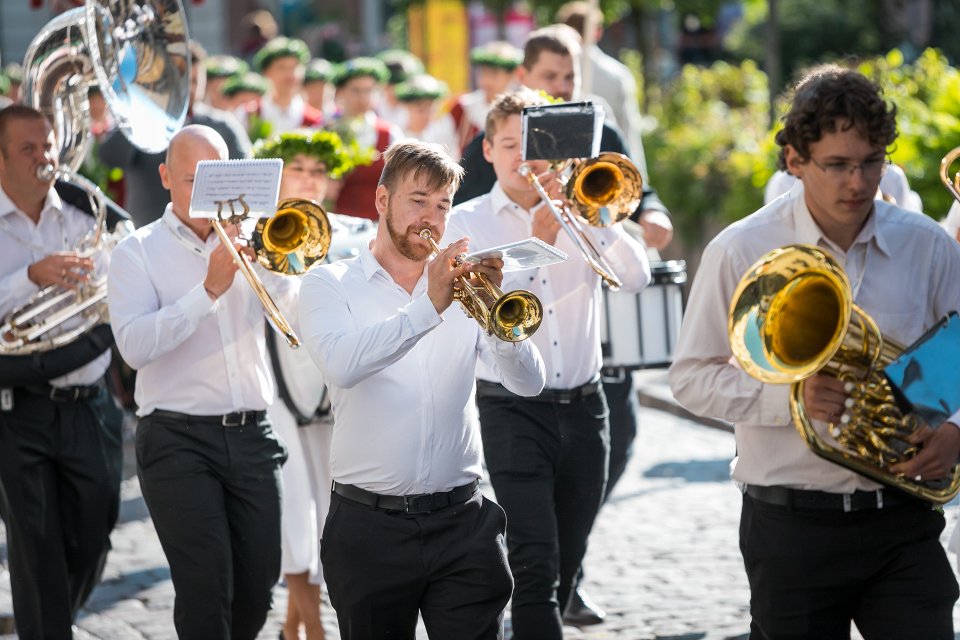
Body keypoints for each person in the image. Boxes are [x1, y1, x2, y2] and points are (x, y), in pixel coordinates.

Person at [669, 65, 960, 639]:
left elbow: (957, 349)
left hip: (903, 521)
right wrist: (790, 397)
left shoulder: (925, 243)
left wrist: (955, 428)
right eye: (837, 165)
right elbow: (690, 377)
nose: (857, 182)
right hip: (789, 526)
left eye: (871, 162)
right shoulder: (740, 248)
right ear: (795, 160)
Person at [298, 140, 546, 639]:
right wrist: (428, 306)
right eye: (418, 200)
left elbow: (529, 383)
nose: (430, 218)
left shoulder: (465, 287)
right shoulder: (330, 283)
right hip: (369, 527)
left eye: (443, 205)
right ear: (383, 201)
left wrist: (499, 318)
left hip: (464, 522)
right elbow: (342, 366)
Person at [445, 88, 652, 640]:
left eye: (535, 146)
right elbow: (487, 313)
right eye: (510, 145)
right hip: (511, 408)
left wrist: (595, 218)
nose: (523, 159)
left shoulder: (580, 213)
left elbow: (637, 277)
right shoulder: (468, 224)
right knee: (534, 560)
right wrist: (537, 247)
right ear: (487, 150)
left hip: (587, 407)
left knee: (567, 558)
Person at [107, 125, 291, 639]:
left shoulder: (252, 237)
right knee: (206, 591)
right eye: (193, 180)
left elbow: (293, 317)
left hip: (253, 435)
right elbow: (135, 347)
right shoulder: (137, 252)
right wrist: (208, 290)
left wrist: (276, 266)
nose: (209, 194)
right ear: (164, 177)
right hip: (177, 439)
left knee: (258, 586)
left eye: (218, 178)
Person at [0, 105, 123, 639]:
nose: (45, 156)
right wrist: (31, 276)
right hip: (17, 409)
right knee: (34, 547)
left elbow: (118, 289)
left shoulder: (83, 216)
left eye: (47, 144)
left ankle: (49, 621)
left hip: (88, 401)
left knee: (96, 529)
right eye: (28, 148)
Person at [252, 129, 358, 640]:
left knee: (331, 510)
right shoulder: (255, 231)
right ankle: (313, 629)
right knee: (294, 506)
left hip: (329, 387)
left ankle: (295, 628)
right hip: (275, 386)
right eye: (298, 169)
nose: (310, 180)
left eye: (319, 172)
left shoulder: (352, 234)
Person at [98, 40, 252, 227]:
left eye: (195, 81)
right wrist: (144, 112)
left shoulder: (224, 126)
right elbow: (109, 158)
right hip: (149, 237)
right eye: (180, 81)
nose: (189, 89)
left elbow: (246, 180)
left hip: (208, 236)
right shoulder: (142, 119)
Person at [556, 1, 649, 178]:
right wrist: (639, 176)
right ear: (598, 31)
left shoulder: (616, 75)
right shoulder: (618, 75)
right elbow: (629, 131)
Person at [328, 57, 402, 220]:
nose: (363, 97)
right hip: (336, 221)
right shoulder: (327, 131)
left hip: (378, 224)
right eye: (356, 90)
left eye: (369, 90)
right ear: (340, 92)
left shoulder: (390, 134)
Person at [447, 41, 522, 157]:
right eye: (483, 72)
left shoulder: (521, 108)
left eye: (494, 73)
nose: (487, 79)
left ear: (511, 75)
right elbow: (444, 143)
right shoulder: (462, 107)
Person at [242, 37, 323, 138]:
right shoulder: (249, 114)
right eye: (282, 67)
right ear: (266, 72)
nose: (290, 75)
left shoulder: (314, 119)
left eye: (294, 67)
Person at [395, 74, 459, 158]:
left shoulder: (443, 130)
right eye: (420, 109)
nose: (426, 115)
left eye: (431, 108)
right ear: (407, 107)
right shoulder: (396, 134)